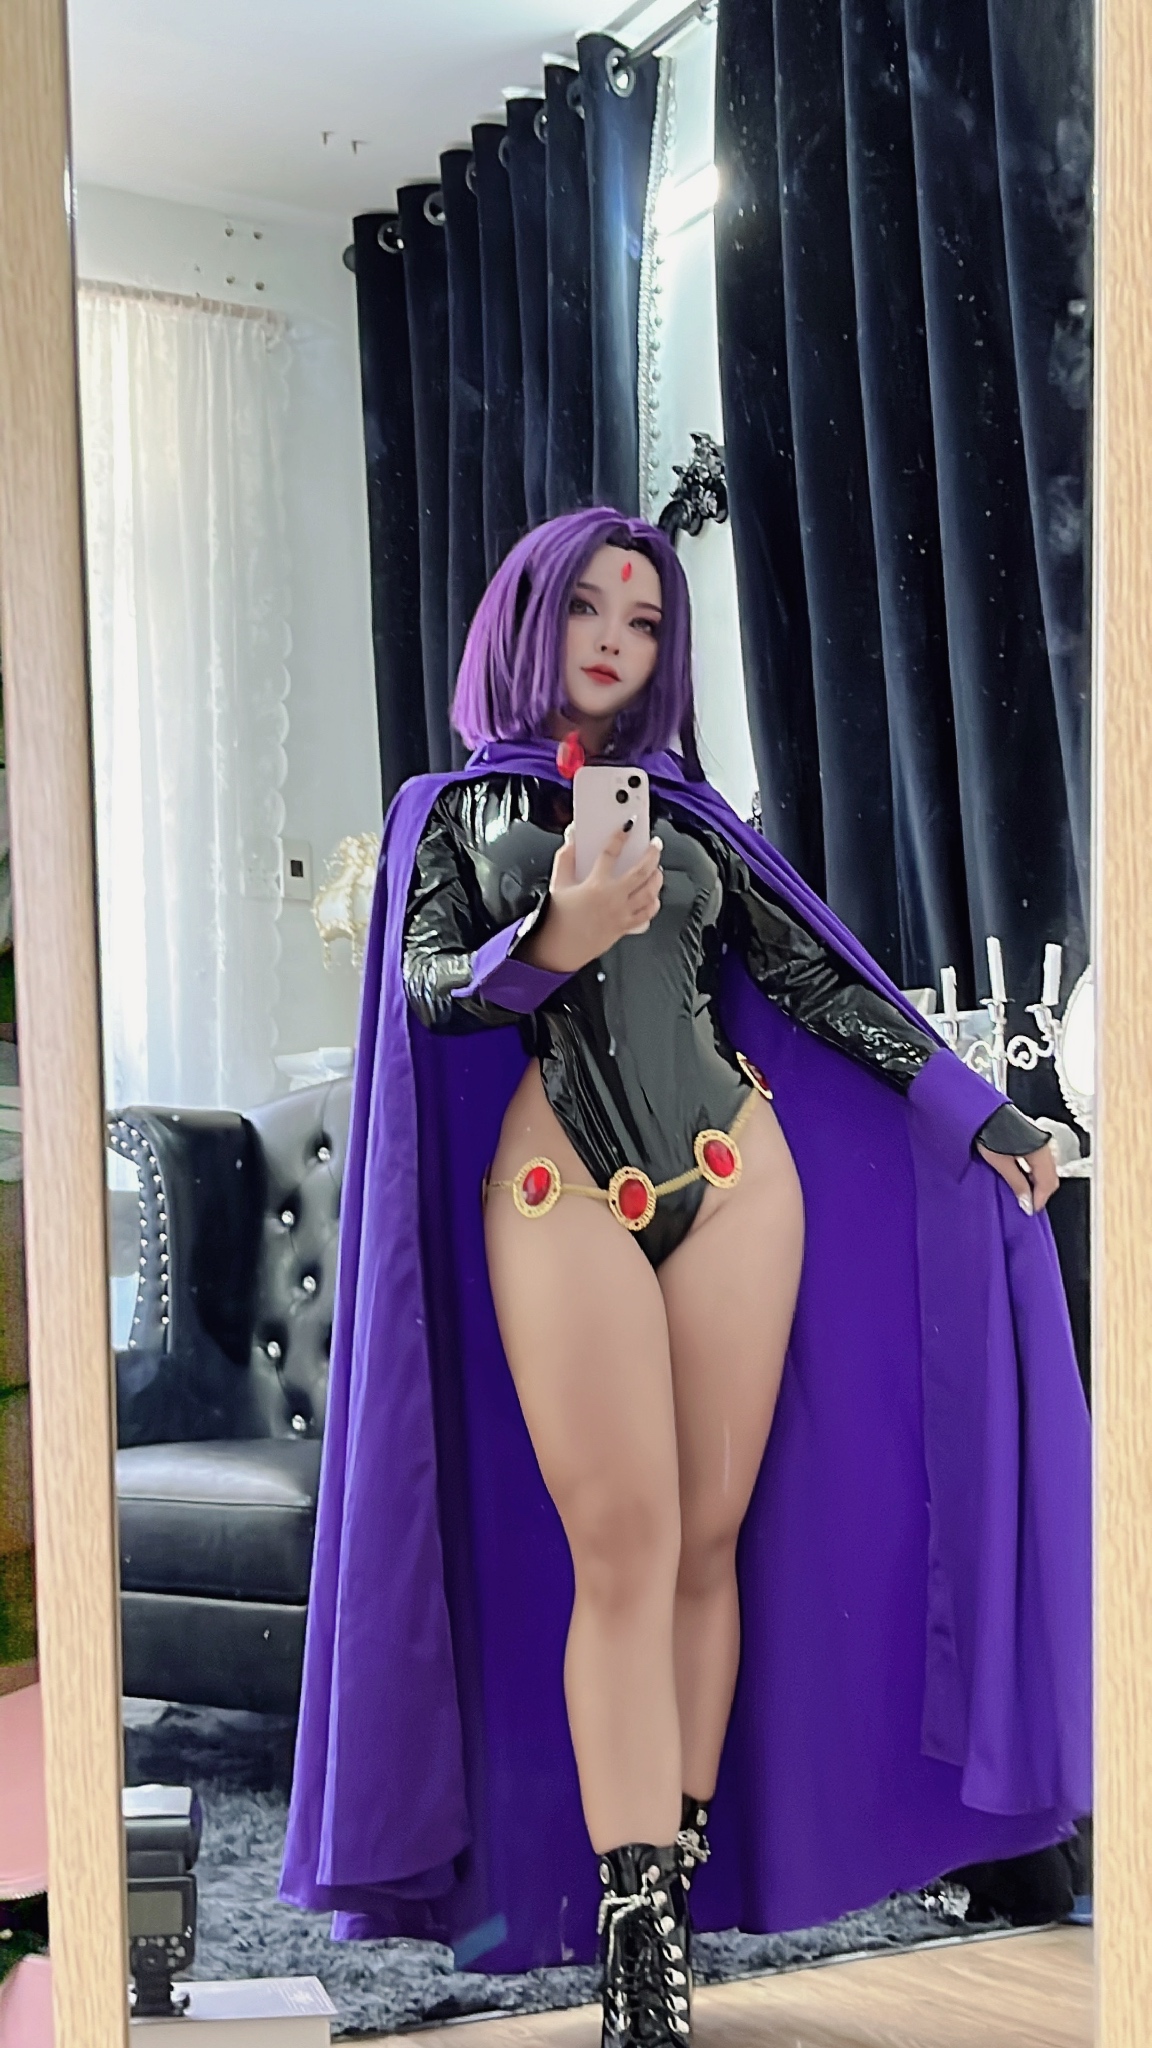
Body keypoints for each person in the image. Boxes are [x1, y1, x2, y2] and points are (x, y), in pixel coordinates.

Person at [281, 510, 1091, 2048]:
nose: (615, 638)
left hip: (739, 1178)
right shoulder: (451, 812)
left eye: (645, 619)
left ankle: (677, 1885)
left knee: (708, 1544)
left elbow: (815, 978)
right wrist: (557, 930)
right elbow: (430, 989)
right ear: (529, 618)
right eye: (588, 606)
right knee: (628, 1548)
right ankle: (637, 1940)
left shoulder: (698, 819)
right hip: (557, 1190)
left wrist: (981, 1115)